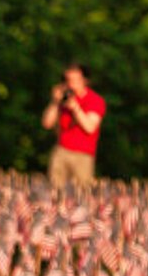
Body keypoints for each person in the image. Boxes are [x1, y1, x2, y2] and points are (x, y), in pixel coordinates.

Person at [41, 62, 104, 190]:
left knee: (82, 192)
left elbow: (90, 127)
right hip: (61, 151)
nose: (70, 84)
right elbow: (47, 123)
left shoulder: (95, 100)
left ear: (85, 81)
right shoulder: (62, 101)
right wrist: (55, 102)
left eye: (75, 80)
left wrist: (75, 108)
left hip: (83, 155)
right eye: (67, 80)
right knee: (54, 190)